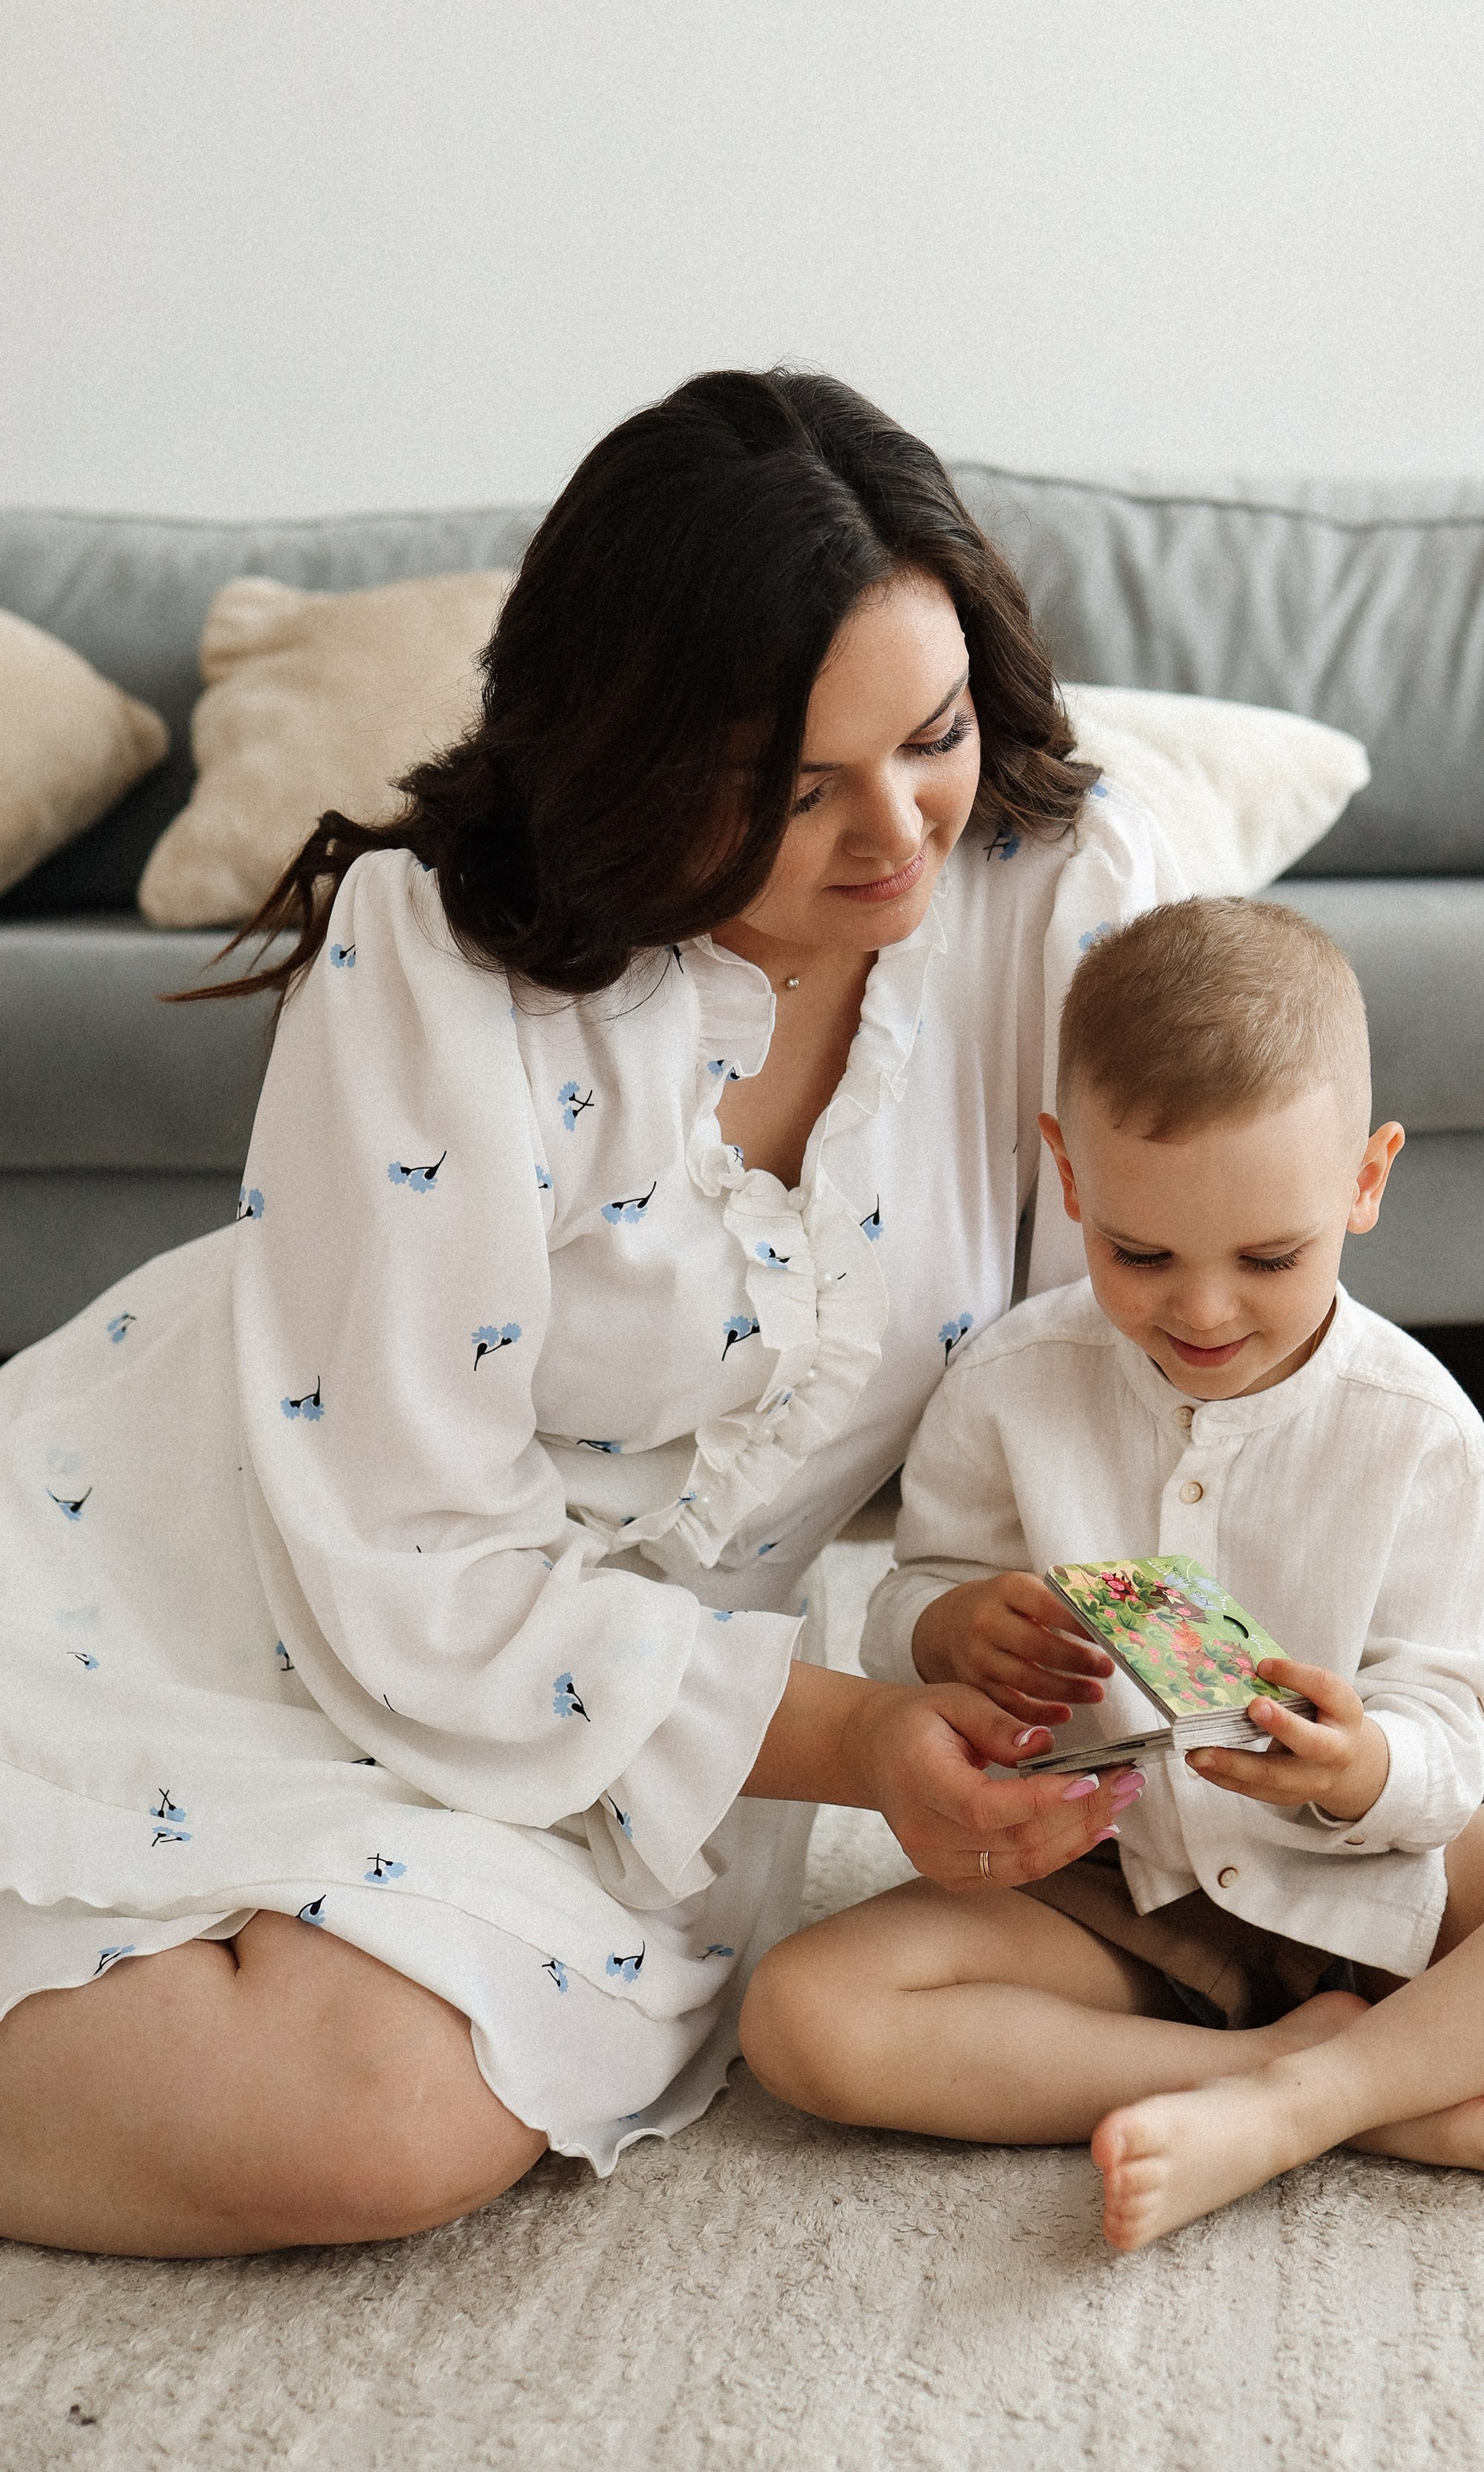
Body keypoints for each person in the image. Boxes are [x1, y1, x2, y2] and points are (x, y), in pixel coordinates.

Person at [0, 370, 1180, 2259]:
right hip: (238, 1555)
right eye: (797, 791)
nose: (899, 836)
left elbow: (1123, 1388)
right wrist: (853, 1737)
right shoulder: (437, 970)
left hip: (646, 1706)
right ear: (636, 766)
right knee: (363, 2125)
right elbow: (407, 1552)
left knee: (407, 2093)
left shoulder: (1055, 899)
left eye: (934, 736)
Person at [739, 898, 1484, 2249]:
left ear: (1365, 1178)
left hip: (1382, 1878)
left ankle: (1314, 2098)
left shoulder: (1419, 1433)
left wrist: (1365, 1768)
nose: (1204, 1310)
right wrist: (949, 1631)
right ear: (1069, 1176)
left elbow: (1455, 1730)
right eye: (1142, 1254)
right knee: (802, 2020)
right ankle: (1322, 2082)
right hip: (1118, 1879)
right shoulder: (1008, 1388)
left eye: (1269, 1258)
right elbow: (904, 1606)